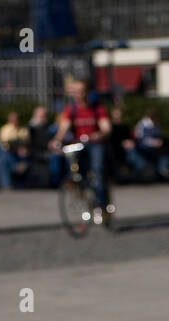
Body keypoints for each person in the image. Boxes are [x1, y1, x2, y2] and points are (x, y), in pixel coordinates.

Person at [51, 80, 112, 218]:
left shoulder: (97, 109)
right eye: (76, 92)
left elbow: (106, 128)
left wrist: (100, 134)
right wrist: (57, 140)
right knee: (75, 171)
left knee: (97, 171)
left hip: (95, 143)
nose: (78, 95)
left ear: (88, 92)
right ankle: (79, 190)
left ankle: (102, 205)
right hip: (78, 144)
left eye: (81, 91)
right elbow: (63, 128)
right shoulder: (71, 109)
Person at [131, 110, 169, 180]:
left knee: (165, 151)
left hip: (155, 147)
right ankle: (162, 169)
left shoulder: (156, 124)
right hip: (144, 147)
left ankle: (163, 169)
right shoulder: (143, 124)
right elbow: (141, 139)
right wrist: (154, 143)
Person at [0, 110, 30, 185]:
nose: (15, 120)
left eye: (16, 119)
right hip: (9, 151)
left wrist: (22, 148)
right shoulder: (5, 129)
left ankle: (21, 176)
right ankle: (16, 167)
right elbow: (4, 144)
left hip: (21, 151)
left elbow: (26, 142)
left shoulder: (23, 129)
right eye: (13, 119)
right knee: (3, 159)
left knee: (25, 154)